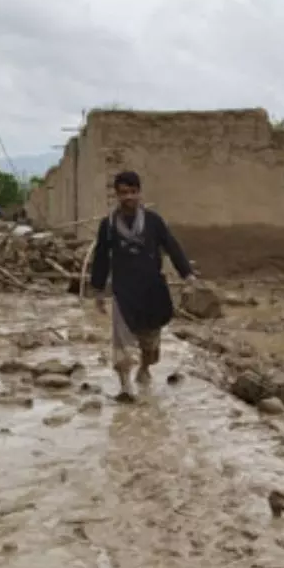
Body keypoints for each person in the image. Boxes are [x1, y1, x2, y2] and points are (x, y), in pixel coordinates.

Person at [89, 170, 198, 402]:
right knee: (122, 342)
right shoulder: (108, 225)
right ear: (116, 195)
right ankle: (126, 386)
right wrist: (98, 290)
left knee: (150, 344)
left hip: (152, 290)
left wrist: (187, 274)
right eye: (123, 193)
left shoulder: (153, 221)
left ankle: (145, 368)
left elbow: (172, 246)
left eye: (132, 192)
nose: (128, 197)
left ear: (139, 193)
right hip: (123, 291)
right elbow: (100, 257)